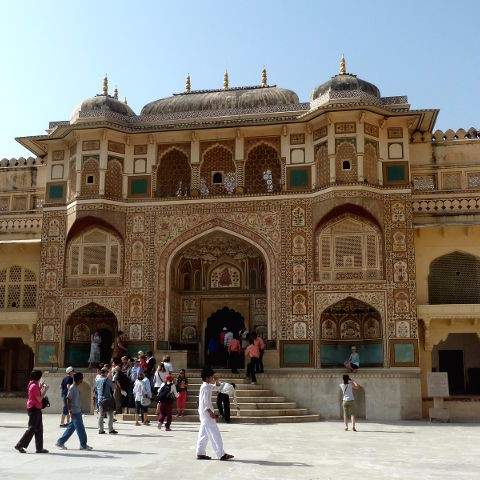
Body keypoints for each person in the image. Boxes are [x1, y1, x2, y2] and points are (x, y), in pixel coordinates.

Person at [196, 366, 233, 461]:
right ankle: (221, 454)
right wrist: (211, 413)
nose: (213, 378)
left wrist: (216, 380)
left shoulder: (205, 386)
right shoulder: (205, 387)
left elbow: (217, 388)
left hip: (204, 413)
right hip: (207, 413)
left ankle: (200, 452)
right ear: (208, 377)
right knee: (215, 433)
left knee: (204, 433)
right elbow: (205, 402)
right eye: (212, 377)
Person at [55, 372, 92, 451]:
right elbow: (68, 399)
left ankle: (60, 442)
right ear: (79, 379)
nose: (82, 380)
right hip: (75, 411)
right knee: (81, 429)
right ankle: (83, 445)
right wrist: (70, 411)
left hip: (77, 410)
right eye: (82, 379)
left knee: (71, 429)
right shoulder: (72, 388)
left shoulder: (75, 387)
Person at [15, 370, 49, 454]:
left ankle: (39, 448)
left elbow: (36, 393)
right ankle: (19, 445)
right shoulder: (33, 386)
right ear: (38, 377)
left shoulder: (33, 384)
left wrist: (41, 387)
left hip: (36, 408)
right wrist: (45, 390)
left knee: (39, 429)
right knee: (32, 429)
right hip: (34, 409)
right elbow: (39, 398)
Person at [96, 366, 118, 434]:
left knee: (101, 415)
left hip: (100, 399)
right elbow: (114, 387)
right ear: (105, 372)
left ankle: (100, 429)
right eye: (107, 372)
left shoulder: (97, 380)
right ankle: (110, 429)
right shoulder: (106, 379)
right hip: (107, 399)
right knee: (110, 414)